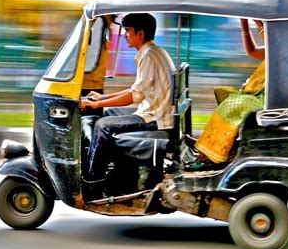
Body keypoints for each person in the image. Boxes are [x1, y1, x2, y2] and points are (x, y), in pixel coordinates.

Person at [80, 13, 175, 200]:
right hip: (153, 110)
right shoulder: (152, 51)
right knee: (107, 112)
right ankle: (117, 174)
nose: (125, 34)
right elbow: (136, 90)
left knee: (102, 125)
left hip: (155, 118)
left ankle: (93, 183)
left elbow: (135, 96)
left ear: (140, 33)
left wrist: (97, 103)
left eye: (128, 30)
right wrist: (103, 98)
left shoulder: (148, 55)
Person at [184, 18, 265, 171]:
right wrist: (244, 24)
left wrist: (258, 21)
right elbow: (252, 51)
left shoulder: (281, 51)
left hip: (268, 99)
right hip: (259, 94)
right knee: (223, 93)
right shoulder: (276, 50)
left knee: (233, 105)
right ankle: (211, 145)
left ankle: (213, 153)